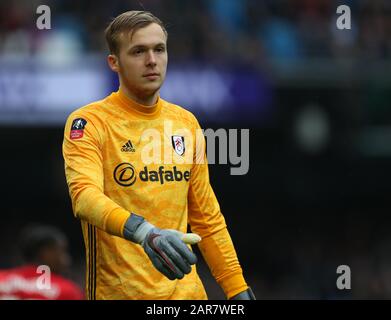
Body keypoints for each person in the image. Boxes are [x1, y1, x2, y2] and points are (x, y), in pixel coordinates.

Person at [62, 10, 255, 300]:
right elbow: (85, 198)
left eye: (159, 49)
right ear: (114, 63)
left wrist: (237, 288)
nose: (152, 60)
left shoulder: (185, 123)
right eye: (138, 51)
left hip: (187, 295)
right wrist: (146, 233)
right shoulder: (90, 123)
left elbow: (207, 218)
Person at [0, 225, 84, 300]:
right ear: (46, 253)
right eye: (62, 252)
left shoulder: (2, 279)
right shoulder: (66, 291)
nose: (67, 260)